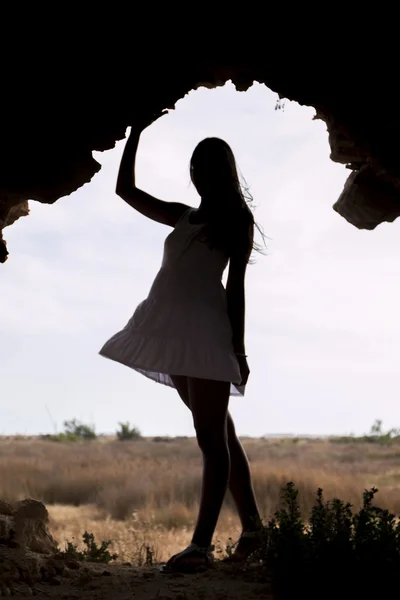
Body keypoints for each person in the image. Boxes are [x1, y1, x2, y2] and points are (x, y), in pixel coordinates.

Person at [99, 111, 265, 573]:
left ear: (220, 173)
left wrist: (240, 351)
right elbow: (125, 192)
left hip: (207, 337)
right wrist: (135, 132)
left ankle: (200, 547)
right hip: (170, 333)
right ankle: (254, 531)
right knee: (221, 435)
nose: (196, 174)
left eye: (203, 167)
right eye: (193, 167)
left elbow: (237, 289)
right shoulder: (183, 217)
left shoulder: (237, 221)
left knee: (211, 441)